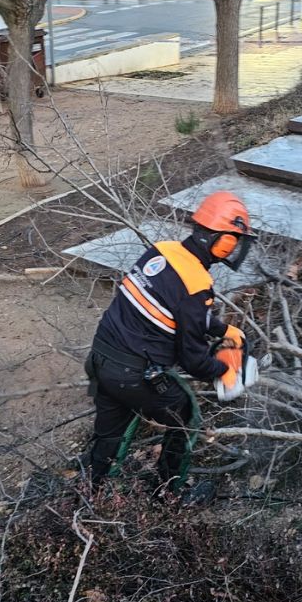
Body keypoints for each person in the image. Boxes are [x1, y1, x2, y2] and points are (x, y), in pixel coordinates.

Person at [82, 191, 258, 497]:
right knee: (185, 416)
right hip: (134, 374)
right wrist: (226, 370)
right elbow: (194, 362)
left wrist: (221, 328)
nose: (235, 247)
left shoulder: (161, 252)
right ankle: (169, 493)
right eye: (235, 240)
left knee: (109, 434)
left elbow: (168, 305)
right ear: (223, 240)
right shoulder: (196, 285)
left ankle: (90, 494)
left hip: (101, 358)